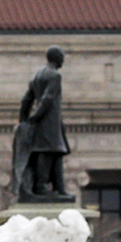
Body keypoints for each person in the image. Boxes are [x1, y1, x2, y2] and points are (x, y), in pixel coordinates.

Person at [17, 46, 72, 201]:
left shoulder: (37, 76)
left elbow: (26, 100)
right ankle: (41, 186)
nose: (63, 60)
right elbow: (47, 99)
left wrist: (24, 120)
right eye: (62, 57)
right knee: (48, 152)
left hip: (43, 122)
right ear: (57, 58)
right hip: (49, 122)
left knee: (55, 153)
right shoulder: (54, 76)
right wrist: (36, 117)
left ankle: (60, 188)